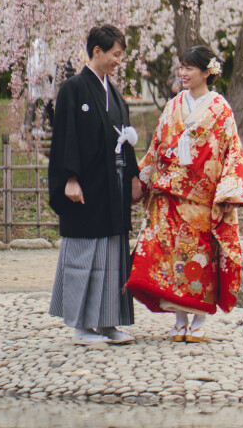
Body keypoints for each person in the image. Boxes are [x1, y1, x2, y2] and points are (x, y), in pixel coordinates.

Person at [127, 45, 243, 342]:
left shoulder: (221, 109)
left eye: (189, 68)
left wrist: (226, 191)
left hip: (202, 198)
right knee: (171, 257)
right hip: (170, 194)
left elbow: (231, 152)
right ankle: (180, 317)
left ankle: (198, 318)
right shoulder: (173, 106)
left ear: (207, 72)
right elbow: (156, 146)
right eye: (181, 67)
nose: (183, 73)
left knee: (200, 259)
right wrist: (142, 180)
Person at [48, 24, 141, 347]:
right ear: (97, 52)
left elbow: (124, 140)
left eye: (121, 56)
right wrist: (69, 179)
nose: (118, 61)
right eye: (115, 55)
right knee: (85, 251)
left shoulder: (113, 93)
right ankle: (81, 326)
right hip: (86, 184)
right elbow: (65, 137)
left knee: (113, 253)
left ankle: (108, 322)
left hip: (112, 184)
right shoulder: (73, 88)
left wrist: (133, 177)